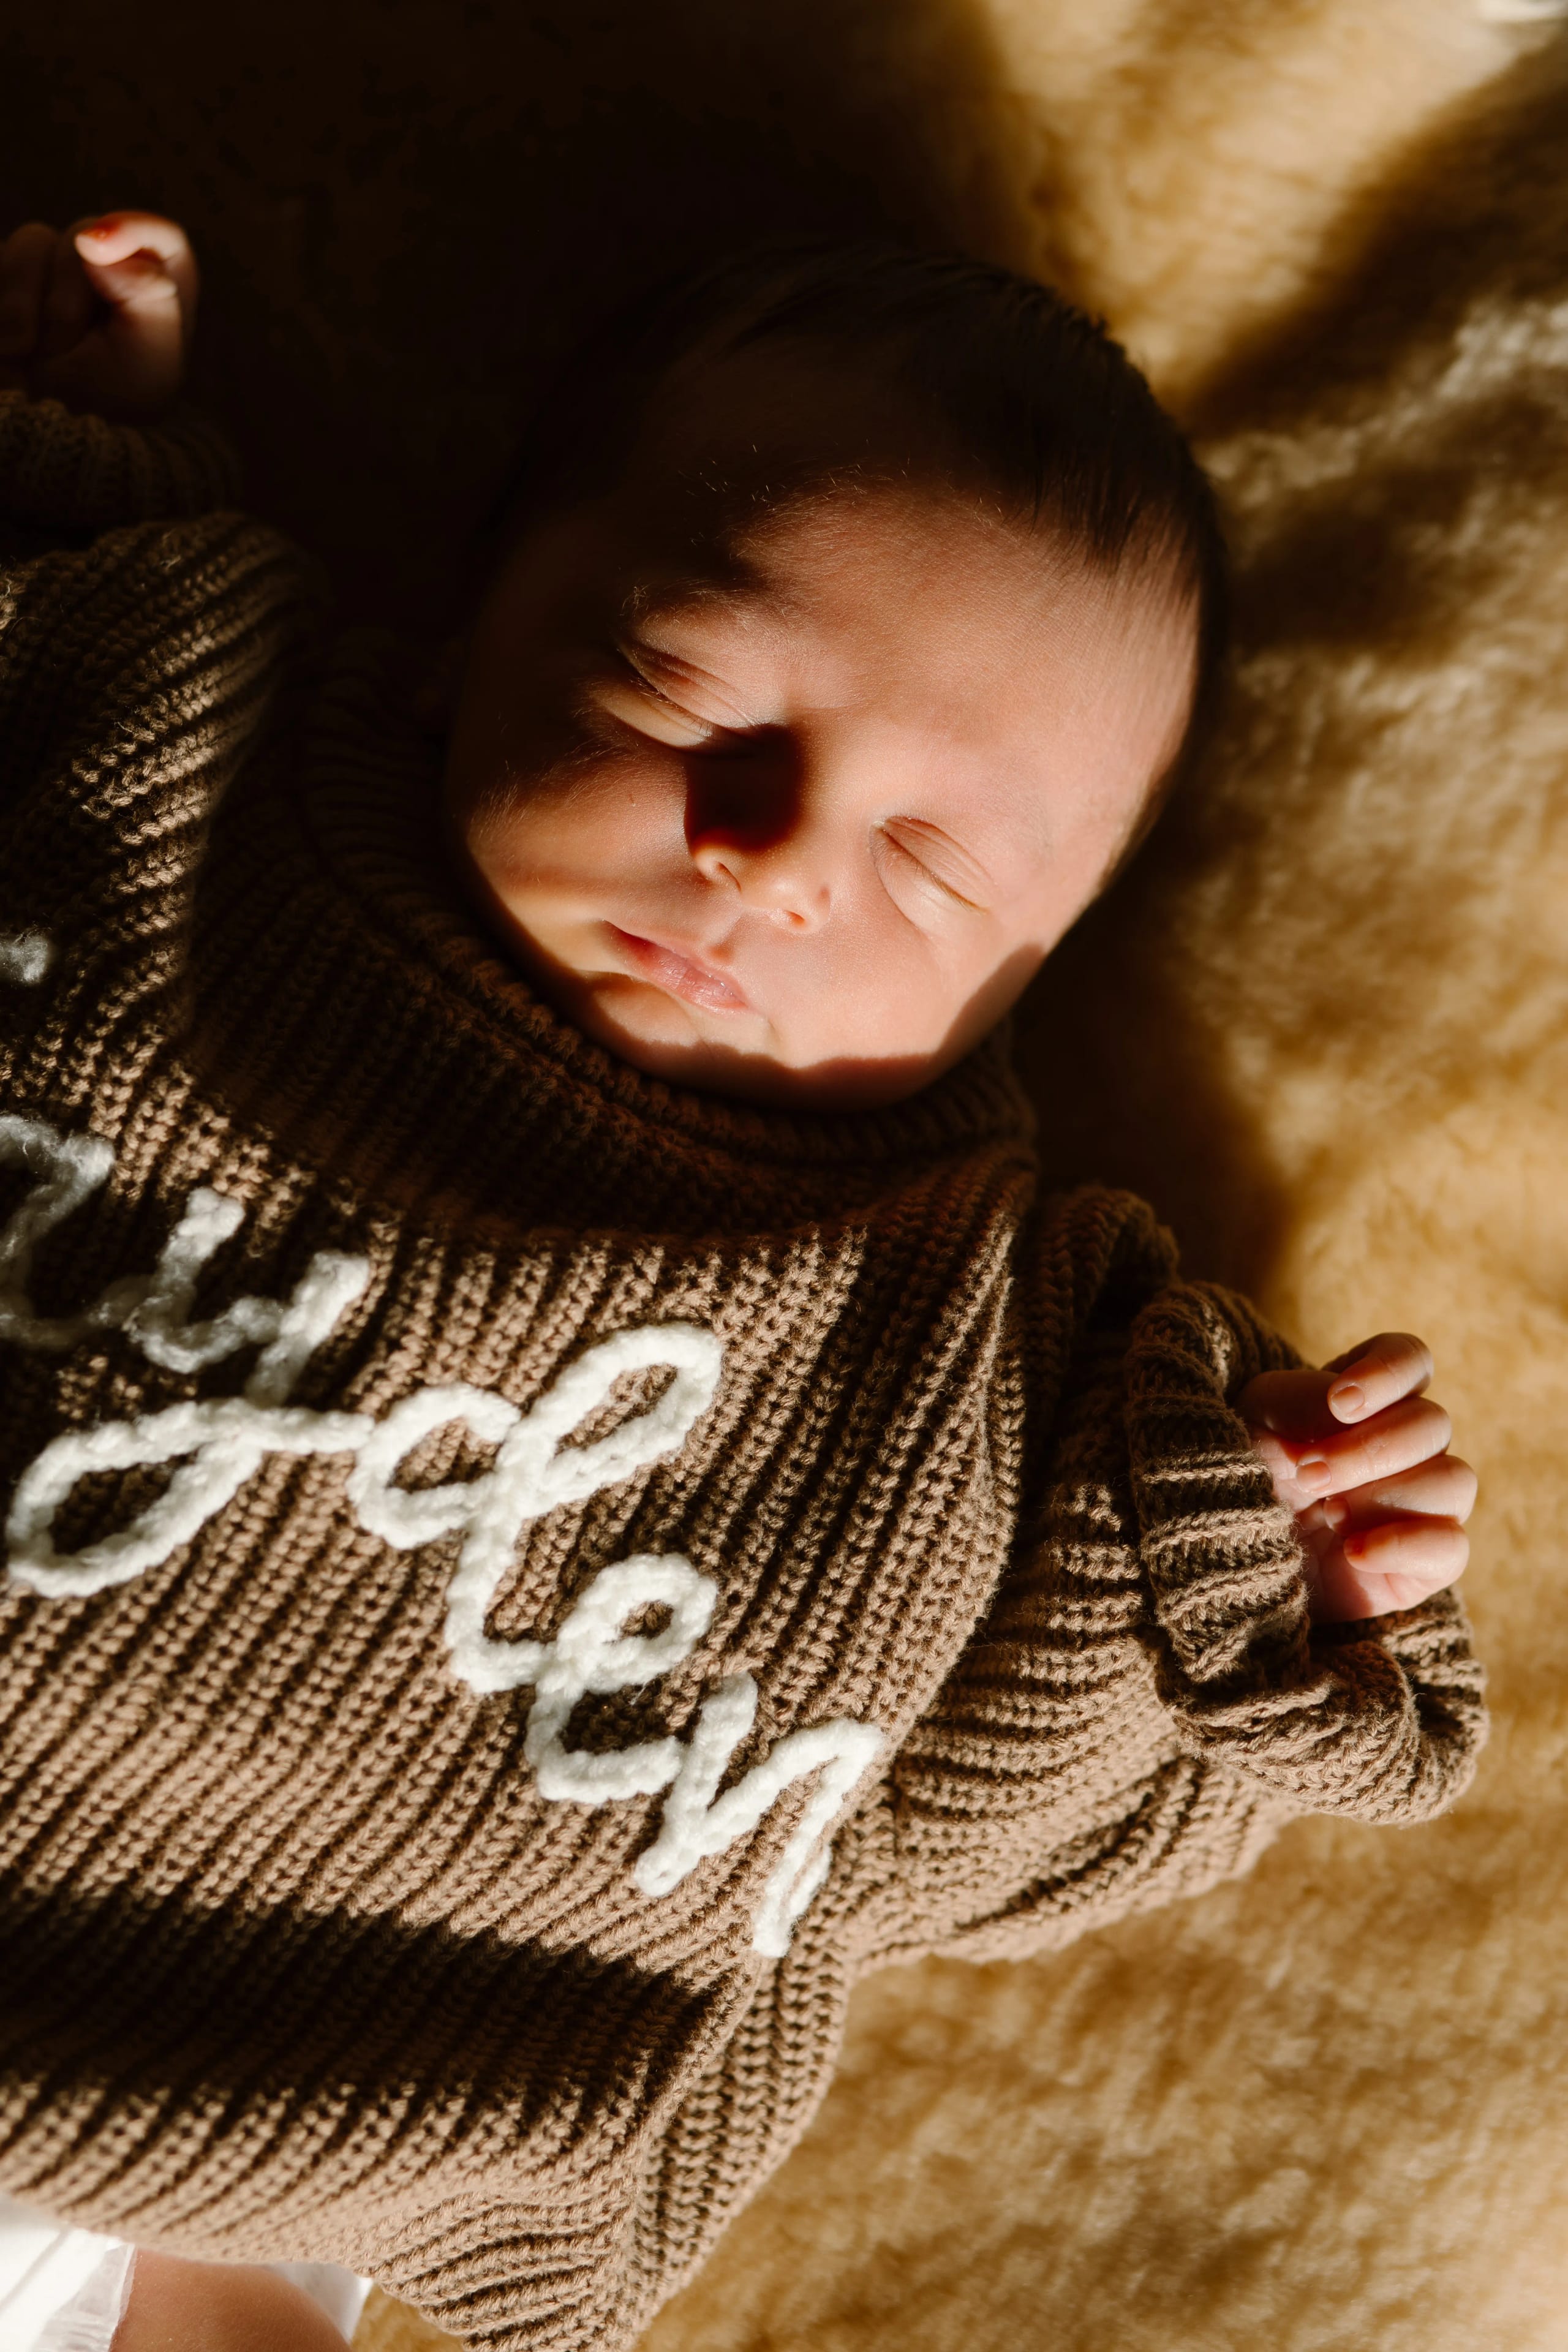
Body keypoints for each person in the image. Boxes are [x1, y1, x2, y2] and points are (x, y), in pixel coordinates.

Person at [0, 213, 1482, 2352]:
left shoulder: (969, 1347)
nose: (773, 855)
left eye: (939, 864)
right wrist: (75, 456)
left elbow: (997, 1822)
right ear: (476, 623)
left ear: (1036, 972)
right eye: (684, 685)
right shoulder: (186, 760)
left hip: (286, 2152)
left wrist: (1271, 1590)